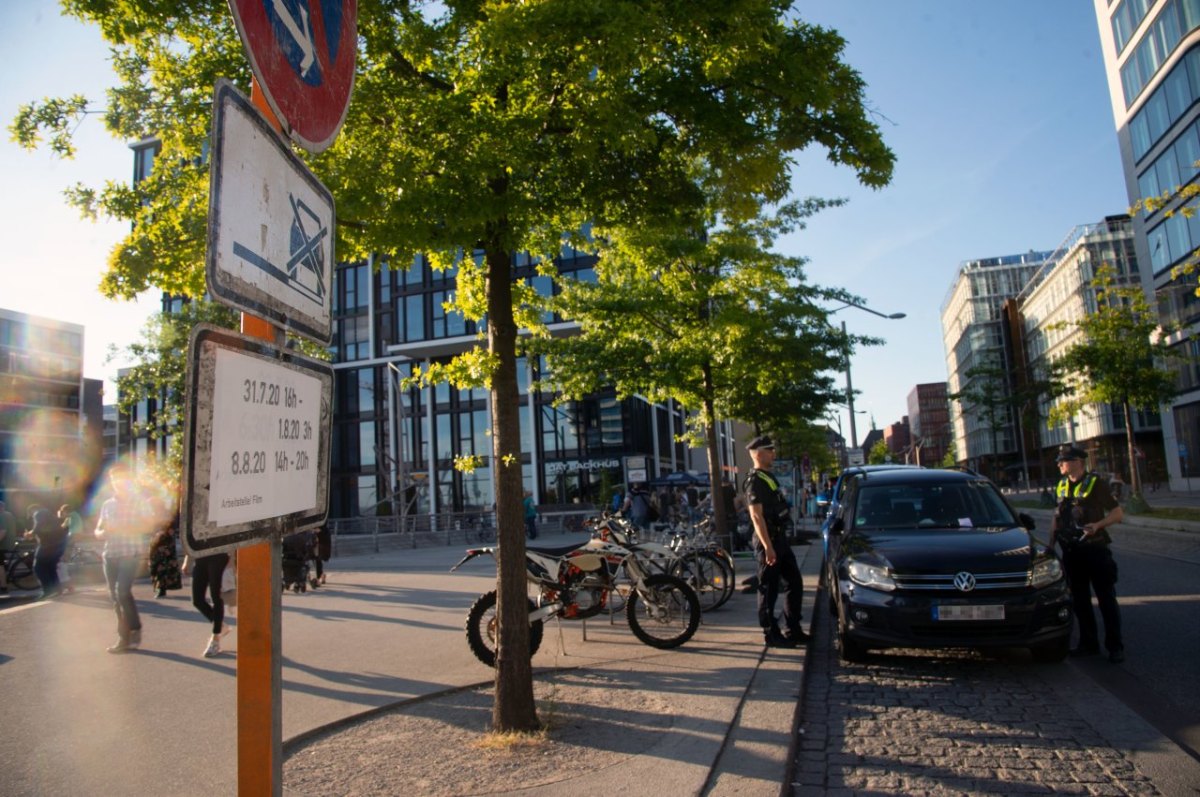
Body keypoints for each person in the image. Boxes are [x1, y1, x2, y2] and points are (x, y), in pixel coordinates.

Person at [1048, 444, 1125, 664]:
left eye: (1064, 460)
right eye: (1060, 461)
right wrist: (1051, 545)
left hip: (1095, 549)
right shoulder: (1061, 486)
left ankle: (1115, 647)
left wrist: (1099, 524)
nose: (1060, 464)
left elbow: (1118, 513)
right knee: (1080, 601)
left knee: (1106, 599)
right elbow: (1056, 518)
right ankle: (1088, 644)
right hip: (1072, 552)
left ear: (1077, 463)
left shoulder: (1095, 483)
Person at [743, 435, 809, 648]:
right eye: (770, 451)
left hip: (779, 538)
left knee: (794, 582)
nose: (774, 454)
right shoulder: (754, 481)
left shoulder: (767, 477)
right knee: (769, 589)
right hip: (768, 541)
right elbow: (756, 516)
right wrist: (768, 547)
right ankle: (771, 633)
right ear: (759, 454)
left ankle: (793, 628)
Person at [95, 465, 153, 652]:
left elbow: (148, 525)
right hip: (110, 554)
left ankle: (132, 630)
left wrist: (129, 525)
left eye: (121, 479)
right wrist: (103, 531)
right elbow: (97, 531)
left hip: (130, 553)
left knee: (122, 592)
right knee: (115, 597)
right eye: (114, 480)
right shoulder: (107, 504)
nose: (117, 483)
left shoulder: (139, 502)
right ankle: (125, 637)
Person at [193, 552, 231, 657]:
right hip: (200, 555)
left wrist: (232, 559)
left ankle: (215, 639)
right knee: (197, 600)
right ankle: (220, 625)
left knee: (216, 598)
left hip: (218, 555)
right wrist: (187, 559)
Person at [26, 505, 68, 599]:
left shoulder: (38, 513)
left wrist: (29, 534)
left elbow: (38, 527)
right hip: (58, 544)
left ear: (31, 511)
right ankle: (57, 589)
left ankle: (48, 590)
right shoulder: (49, 514)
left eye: (30, 515)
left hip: (48, 545)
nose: (32, 517)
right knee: (50, 567)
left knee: (38, 567)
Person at [147, 517, 182, 598]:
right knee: (160, 576)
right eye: (171, 530)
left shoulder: (168, 536)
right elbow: (156, 548)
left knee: (162, 576)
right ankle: (160, 591)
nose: (172, 532)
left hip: (164, 560)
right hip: (160, 560)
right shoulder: (161, 536)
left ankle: (161, 591)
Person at [56, 504, 84, 595]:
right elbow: (63, 526)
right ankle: (66, 584)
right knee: (63, 558)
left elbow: (63, 519)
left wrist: (59, 514)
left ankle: (66, 584)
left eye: (63, 511)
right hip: (72, 536)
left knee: (62, 558)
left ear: (66, 511)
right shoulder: (71, 517)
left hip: (73, 536)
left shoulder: (73, 515)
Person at [0, 500, 17, 594]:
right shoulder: (9, 514)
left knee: (0, 565)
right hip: (10, 543)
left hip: (3, 545)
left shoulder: (2, 516)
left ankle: (3, 586)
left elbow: (2, 532)